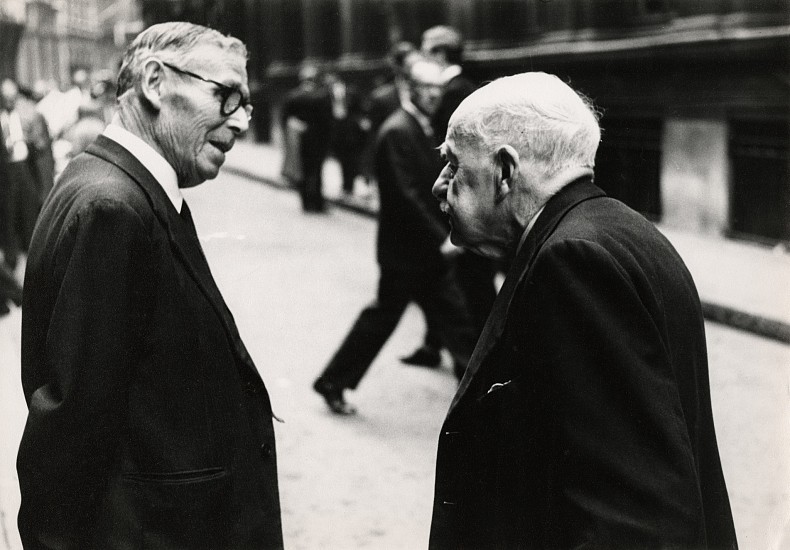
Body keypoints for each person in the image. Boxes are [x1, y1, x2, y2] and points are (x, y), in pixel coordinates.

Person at [428, 72, 738, 549]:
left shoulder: (571, 262)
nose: (439, 185)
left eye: (452, 163)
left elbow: (628, 516)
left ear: (506, 171)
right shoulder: (621, 231)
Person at [17, 22, 283, 548]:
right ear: (156, 82)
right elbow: (69, 435)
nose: (242, 121)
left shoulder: (116, 187)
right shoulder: (113, 208)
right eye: (226, 95)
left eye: (247, 103)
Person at [312, 57, 477, 415]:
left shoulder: (422, 128)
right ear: (408, 88)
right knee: (387, 319)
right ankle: (333, 381)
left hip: (421, 254)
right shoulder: (397, 132)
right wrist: (441, 238)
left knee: (455, 319)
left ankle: (480, 393)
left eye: (438, 88)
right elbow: (407, 198)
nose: (434, 95)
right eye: (426, 88)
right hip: (406, 254)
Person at [401, 25, 497, 377]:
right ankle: (441, 346)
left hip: (462, 202)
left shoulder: (455, 92)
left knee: (469, 285)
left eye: (427, 52)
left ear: (441, 54)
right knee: (452, 282)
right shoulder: (463, 87)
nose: (423, 58)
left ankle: (479, 361)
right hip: (464, 201)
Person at [0, 79, 53, 270]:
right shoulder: (2, 119)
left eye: (12, 97)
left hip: (26, 170)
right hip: (6, 173)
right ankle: (11, 260)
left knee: (30, 214)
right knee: (8, 217)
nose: (9, 101)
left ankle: (35, 260)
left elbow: (41, 148)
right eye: (5, 98)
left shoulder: (28, 116)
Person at [280, 64, 333, 212]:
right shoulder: (321, 96)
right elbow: (327, 121)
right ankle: (317, 202)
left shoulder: (293, 96)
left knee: (302, 170)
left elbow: (285, 118)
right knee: (316, 171)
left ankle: (306, 202)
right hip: (317, 141)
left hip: (299, 140)